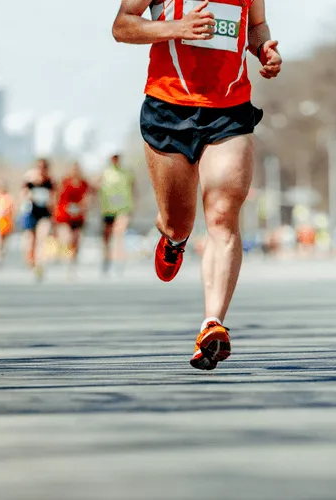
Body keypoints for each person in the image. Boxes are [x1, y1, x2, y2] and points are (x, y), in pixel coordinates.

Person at [113, 0, 282, 370]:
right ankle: (173, 237)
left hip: (230, 110)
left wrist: (264, 49)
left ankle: (212, 324)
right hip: (168, 108)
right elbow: (122, 26)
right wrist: (177, 27)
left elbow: (256, 26)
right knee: (180, 222)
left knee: (222, 216)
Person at [99, 153, 134, 275]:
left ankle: (119, 261)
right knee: (107, 238)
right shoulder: (105, 173)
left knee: (119, 234)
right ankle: (106, 259)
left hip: (123, 209)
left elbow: (133, 188)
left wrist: (131, 207)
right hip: (108, 210)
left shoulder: (126, 173)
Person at [21, 158, 55, 280]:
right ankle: (31, 260)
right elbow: (23, 194)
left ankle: (40, 265)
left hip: (44, 214)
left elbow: (53, 197)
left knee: (42, 238)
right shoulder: (30, 181)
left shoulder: (50, 181)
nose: (41, 170)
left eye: (43, 167)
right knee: (31, 240)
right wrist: (30, 196)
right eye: (39, 167)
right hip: (31, 213)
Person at [54, 162, 91, 273]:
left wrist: (83, 206)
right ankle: (67, 260)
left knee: (76, 239)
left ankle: (73, 259)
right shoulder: (65, 182)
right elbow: (58, 197)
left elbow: (88, 197)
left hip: (78, 216)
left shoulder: (84, 184)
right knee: (68, 238)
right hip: (65, 216)